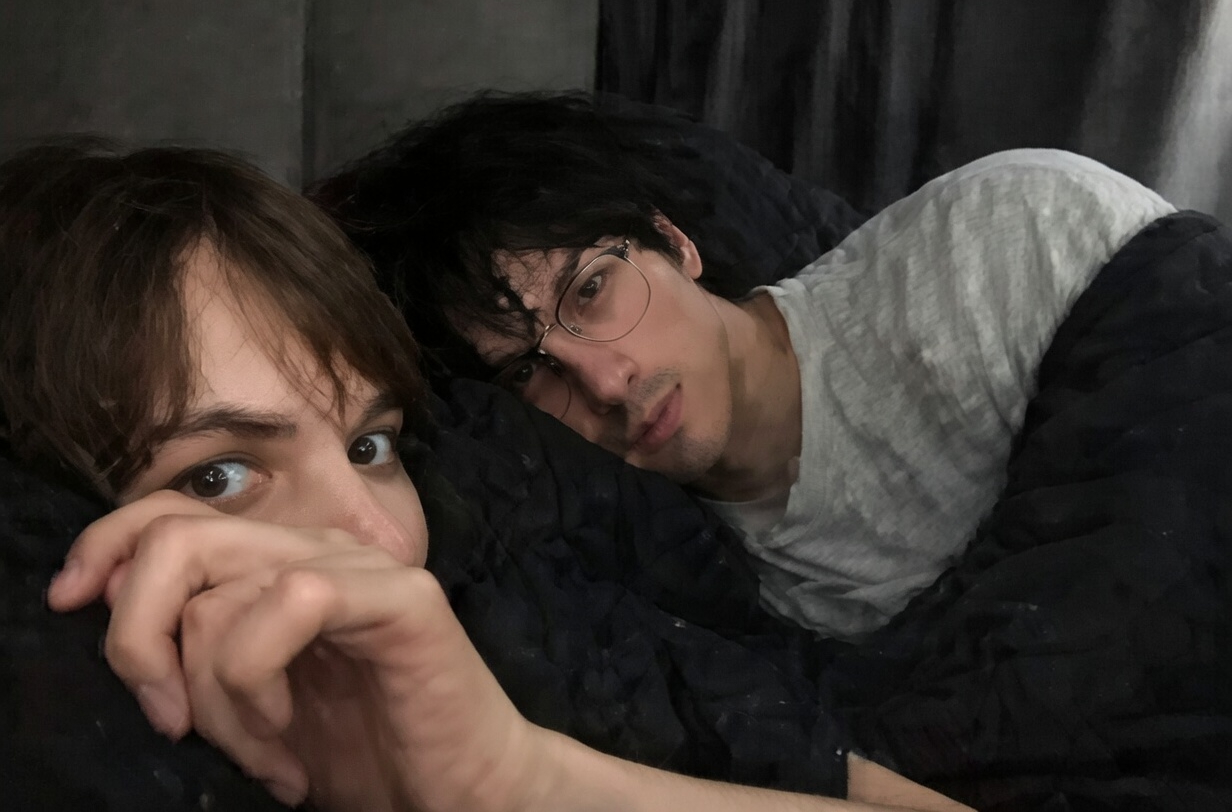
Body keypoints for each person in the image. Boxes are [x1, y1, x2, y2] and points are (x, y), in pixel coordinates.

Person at [0, 141, 969, 811]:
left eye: (369, 447)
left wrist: (516, 778)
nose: (385, 545)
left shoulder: (530, 627)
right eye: (218, 474)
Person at [315, 91, 1177, 637]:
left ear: (675, 242)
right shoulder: (678, 588)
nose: (605, 382)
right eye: (528, 373)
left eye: (592, 291)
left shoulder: (1006, 235)